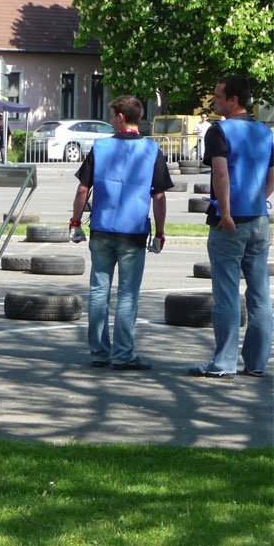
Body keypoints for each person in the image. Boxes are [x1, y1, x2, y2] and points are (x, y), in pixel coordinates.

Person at [69, 95, 171, 371]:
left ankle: (99, 352)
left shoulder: (100, 148)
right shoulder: (152, 150)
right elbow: (159, 196)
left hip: (102, 229)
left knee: (99, 291)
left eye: (113, 115)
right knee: (128, 294)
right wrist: (160, 232)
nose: (112, 120)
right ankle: (123, 354)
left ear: (121, 117)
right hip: (134, 233)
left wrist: (76, 222)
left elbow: (82, 190)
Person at [189, 75, 274, 379]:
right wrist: (258, 200)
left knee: (226, 293)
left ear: (233, 100)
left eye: (217, 95)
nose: (213, 100)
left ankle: (224, 361)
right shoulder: (265, 132)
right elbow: (272, 174)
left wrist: (226, 213)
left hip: (231, 221)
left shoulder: (219, 131)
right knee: (260, 293)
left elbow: (221, 175)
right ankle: (256, 363)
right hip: (259, 219)